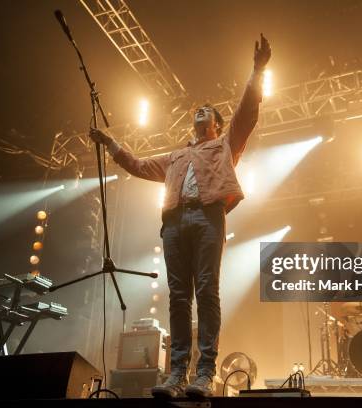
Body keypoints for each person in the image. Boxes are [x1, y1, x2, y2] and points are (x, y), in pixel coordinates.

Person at [90, 34, 271, 398]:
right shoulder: (175, 157)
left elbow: (247, 113)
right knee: (178, 296)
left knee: (206, 291)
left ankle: (204, 374)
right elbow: (139, 165)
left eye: (207, 111)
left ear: (216, 124)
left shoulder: (224, 144)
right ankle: (177, 375)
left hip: (207, 217)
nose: (200, 111)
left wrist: (258, 70)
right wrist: (111, 144)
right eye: (197, 111)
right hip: (174, 223)